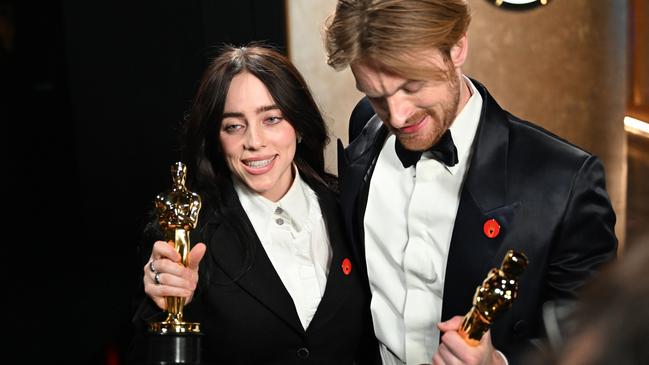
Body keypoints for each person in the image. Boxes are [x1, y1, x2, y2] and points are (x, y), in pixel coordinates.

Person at [324, 1, 617, 364]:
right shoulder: (365, 127)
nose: (396, 117)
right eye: (375, 95)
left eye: (412, 86)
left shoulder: (566, 181)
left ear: (457, 47)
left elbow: (598, 341)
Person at [131, 44, 377, 364]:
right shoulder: (187, 233)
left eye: (272, 119)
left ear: (299, 125)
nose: (254, 141)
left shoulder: (350, 206)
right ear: (216, 140)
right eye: (234, 125)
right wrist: (161, 309)